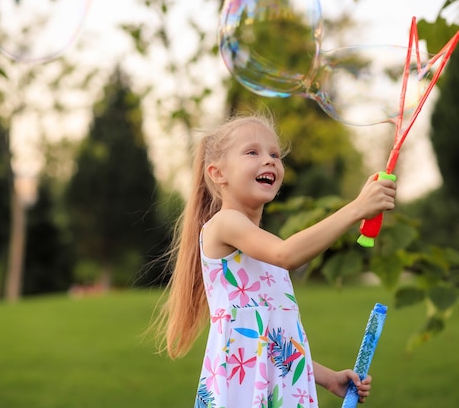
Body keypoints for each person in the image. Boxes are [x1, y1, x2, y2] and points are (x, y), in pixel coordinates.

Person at [153, 113, 397, 407]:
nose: (269, 160)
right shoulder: (225, 224)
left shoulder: (263, 249)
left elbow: (273, 339)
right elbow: (288, 254)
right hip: (241, 390)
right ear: (218, 173)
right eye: (252, 152)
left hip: (277, 387)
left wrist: (327, 377)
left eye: (275, 154)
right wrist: (357, 208)